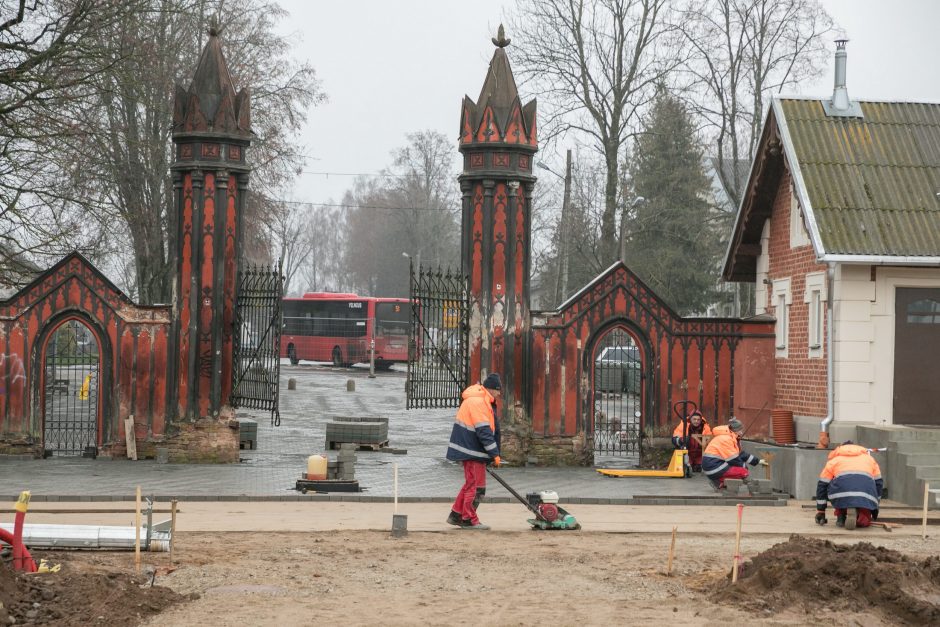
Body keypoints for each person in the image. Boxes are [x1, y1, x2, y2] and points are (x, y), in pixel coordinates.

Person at [445, 373, 502, 530]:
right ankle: (469, 519)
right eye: (498, 390)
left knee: (477, 486)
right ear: (492, 389)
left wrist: (492, 454)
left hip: (474, 450)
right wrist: (495, 454)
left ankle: (456, 514)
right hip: (471, 450)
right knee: (474, 487)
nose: (499, 394)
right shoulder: (478, 402)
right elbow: (483, 430)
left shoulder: (482, 400)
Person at [814, 441, 883, 530]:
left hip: (841, 494)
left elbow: (822, 485)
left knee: (834, 483)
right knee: (864, 520)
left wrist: (821, 511)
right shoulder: (870, 459)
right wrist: (874, 505)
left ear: (840, 449)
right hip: (865, 494)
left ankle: (841, 514)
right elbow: (879, 482)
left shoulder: (834, 461)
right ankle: (861, 515)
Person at [701, 418, 767, 489]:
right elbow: (733, 459)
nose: (741, 433)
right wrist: (744, 467)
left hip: (712, 466)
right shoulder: (726, 439)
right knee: (743, 472)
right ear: (735, 430)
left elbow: (741, 454)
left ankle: (719, 482)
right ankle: (718, 482)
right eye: (740, 430)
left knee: (741, 469)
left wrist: (758, 461)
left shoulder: (729, 437)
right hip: (713, 467)